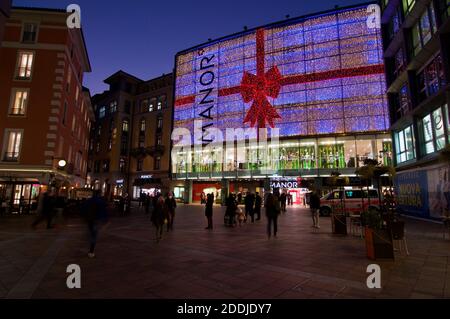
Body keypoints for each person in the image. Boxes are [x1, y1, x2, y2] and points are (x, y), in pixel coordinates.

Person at [82, 190, 108, 258]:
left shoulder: (89, 200)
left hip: (89, 219)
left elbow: (84, 209)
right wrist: (105, 219)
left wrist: (85, 217)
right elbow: (103, 210)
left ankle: (89, 243)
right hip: (96, 220)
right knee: (94, 235)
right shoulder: (100, 201)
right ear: (99, 194)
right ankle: (91, 252)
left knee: (91, 232)